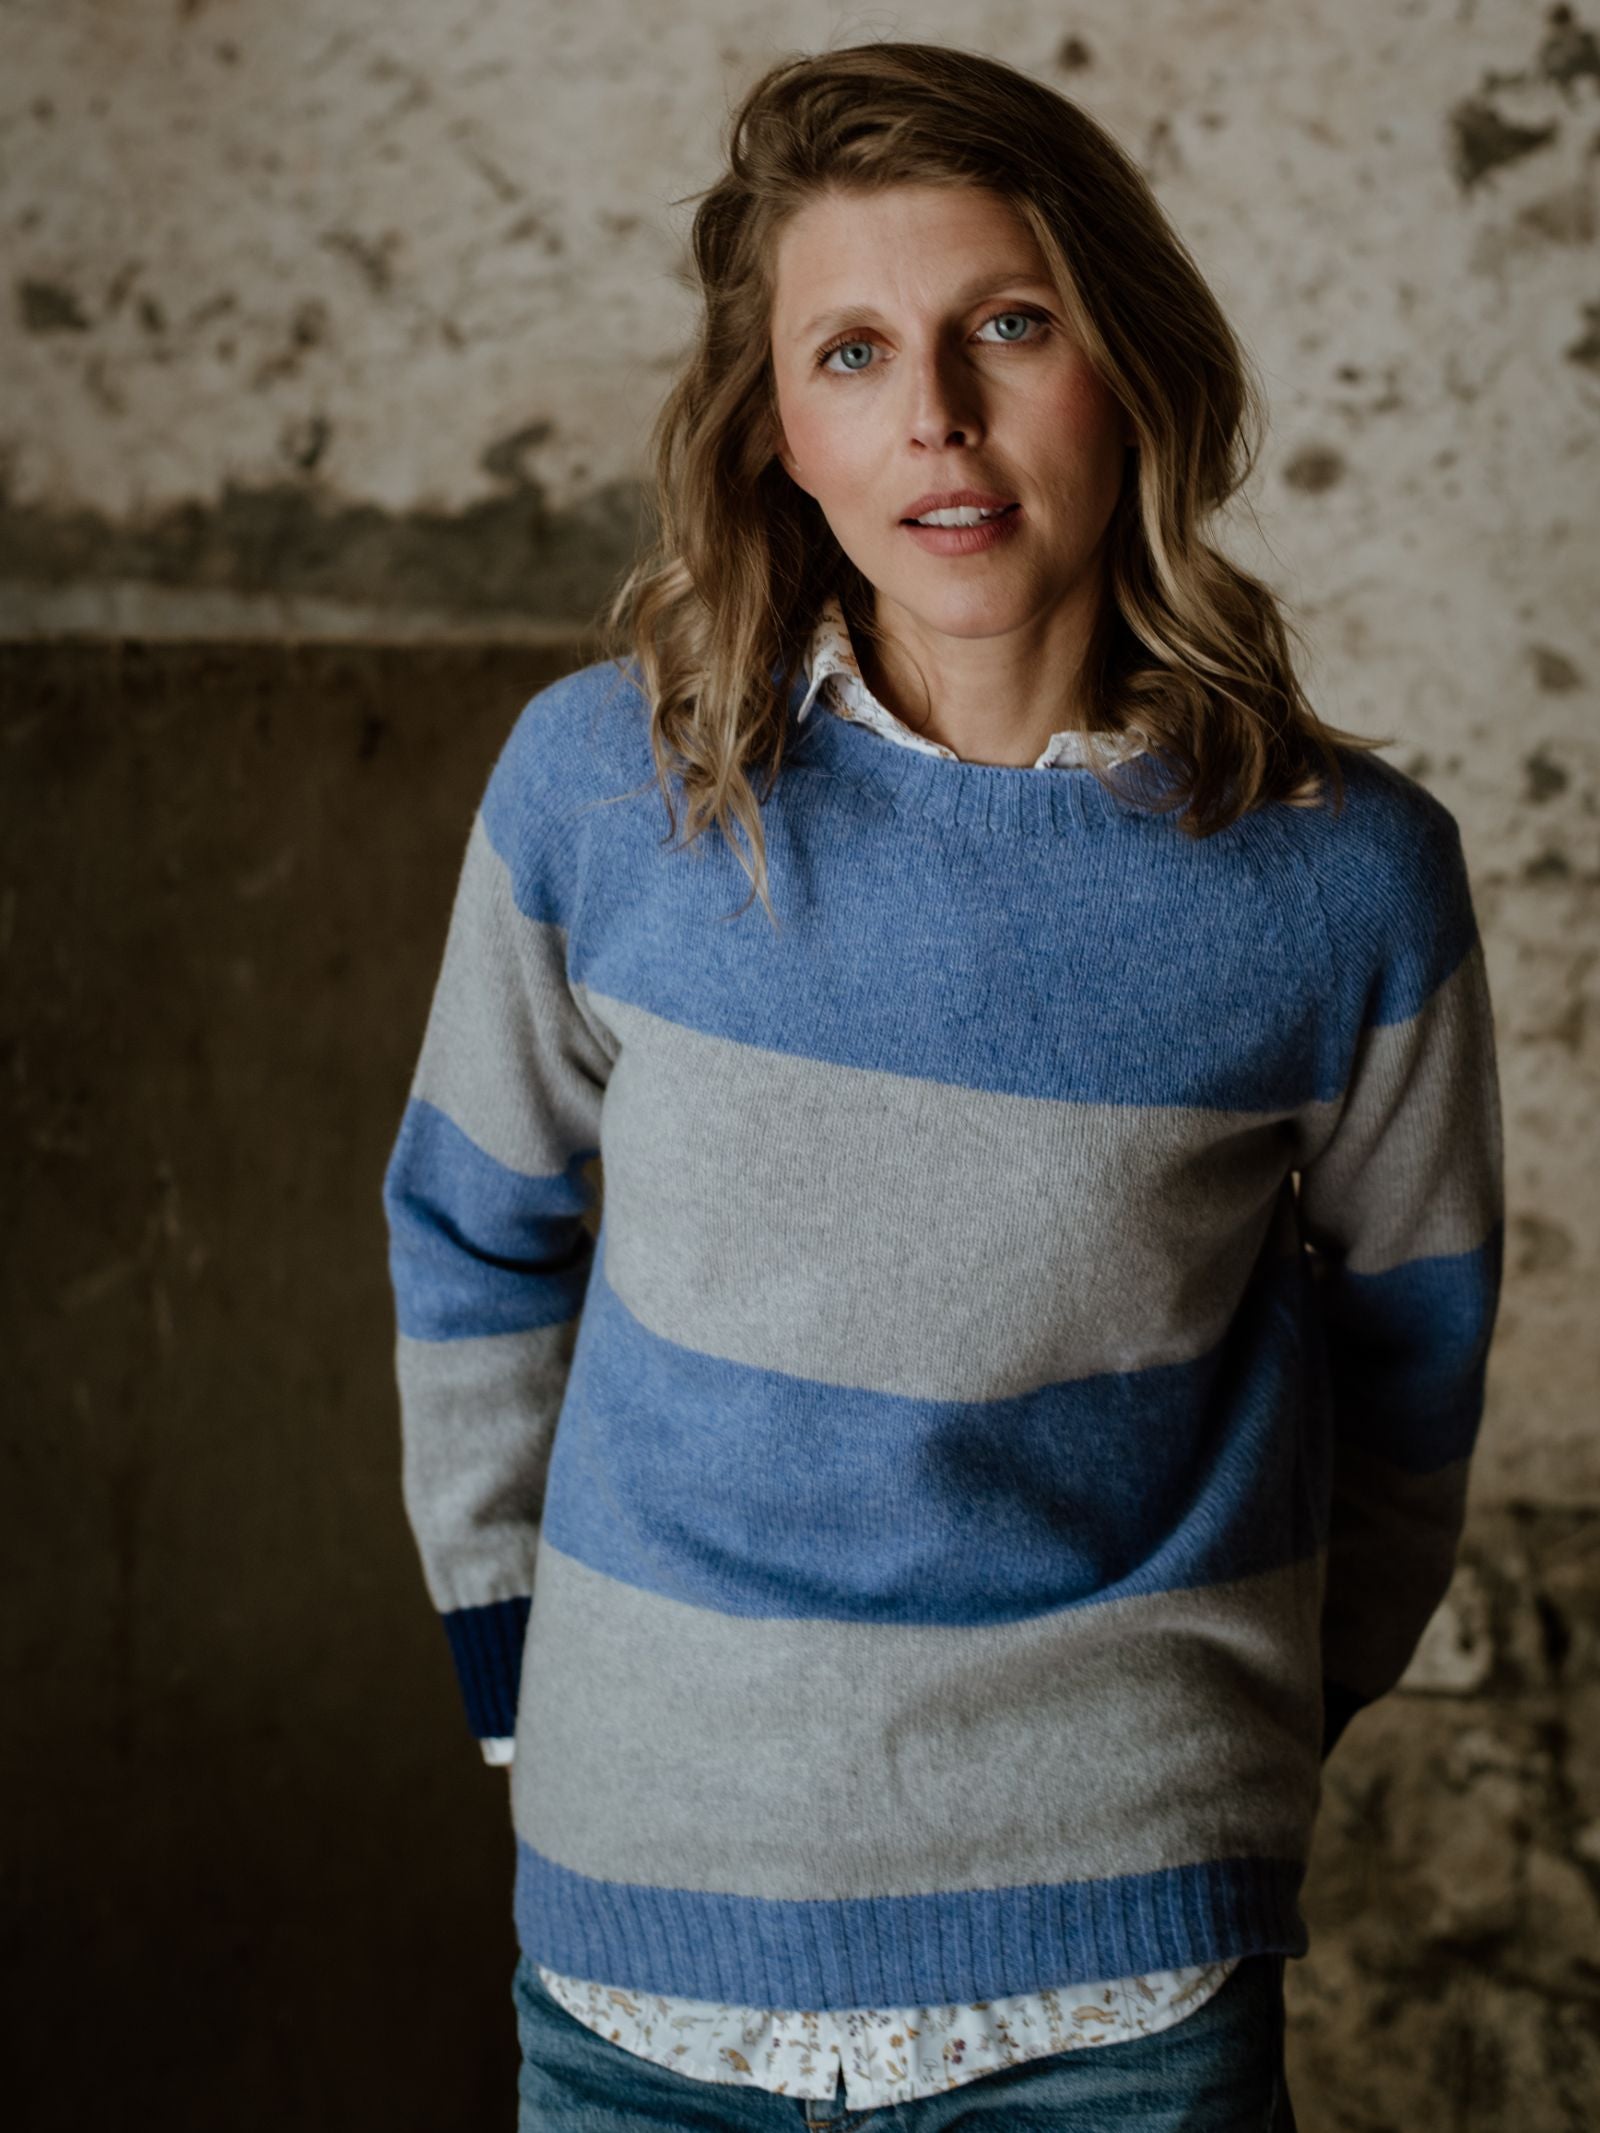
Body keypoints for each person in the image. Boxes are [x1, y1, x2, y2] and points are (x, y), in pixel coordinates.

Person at [380, 40, 1505, 2133]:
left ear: (1128, 364)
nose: (936, 419)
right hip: (641, 1970)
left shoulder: (1340, 875)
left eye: (1006, 323)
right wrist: (517, 1683)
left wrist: (1234, 1737)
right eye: (850, 351)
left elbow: (1412, 1355)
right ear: (774, 431)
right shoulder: (601, 790)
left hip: (1117, 1991)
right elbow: (467, 1227)